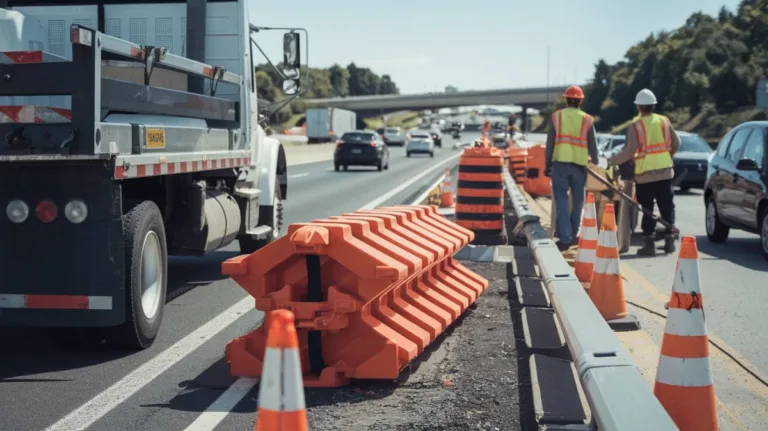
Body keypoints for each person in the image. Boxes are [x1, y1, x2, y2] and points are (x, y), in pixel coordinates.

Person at [607, 88, 680, 256]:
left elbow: (629, 151)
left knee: (648, 209)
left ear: (639, 107)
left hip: (645, 175)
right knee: (667, 207)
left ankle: (649, 244)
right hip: (665, 173)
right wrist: (666, 157)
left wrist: (611, 161)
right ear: (653, 106)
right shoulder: (664, 121)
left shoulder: (636, 126)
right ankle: (669, 242)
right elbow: (676, 144)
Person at [545, 85, 600, 251]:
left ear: (566, 99)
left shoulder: (556, 117)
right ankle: (573, 234)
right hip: (579, 165)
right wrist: (595, 161)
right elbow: (593, 144)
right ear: (580, 101)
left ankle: (565, 237)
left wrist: (547, 164)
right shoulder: (587, 119)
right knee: (578, 202)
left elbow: (550, 144)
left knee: (561, 199)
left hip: (560, 163)